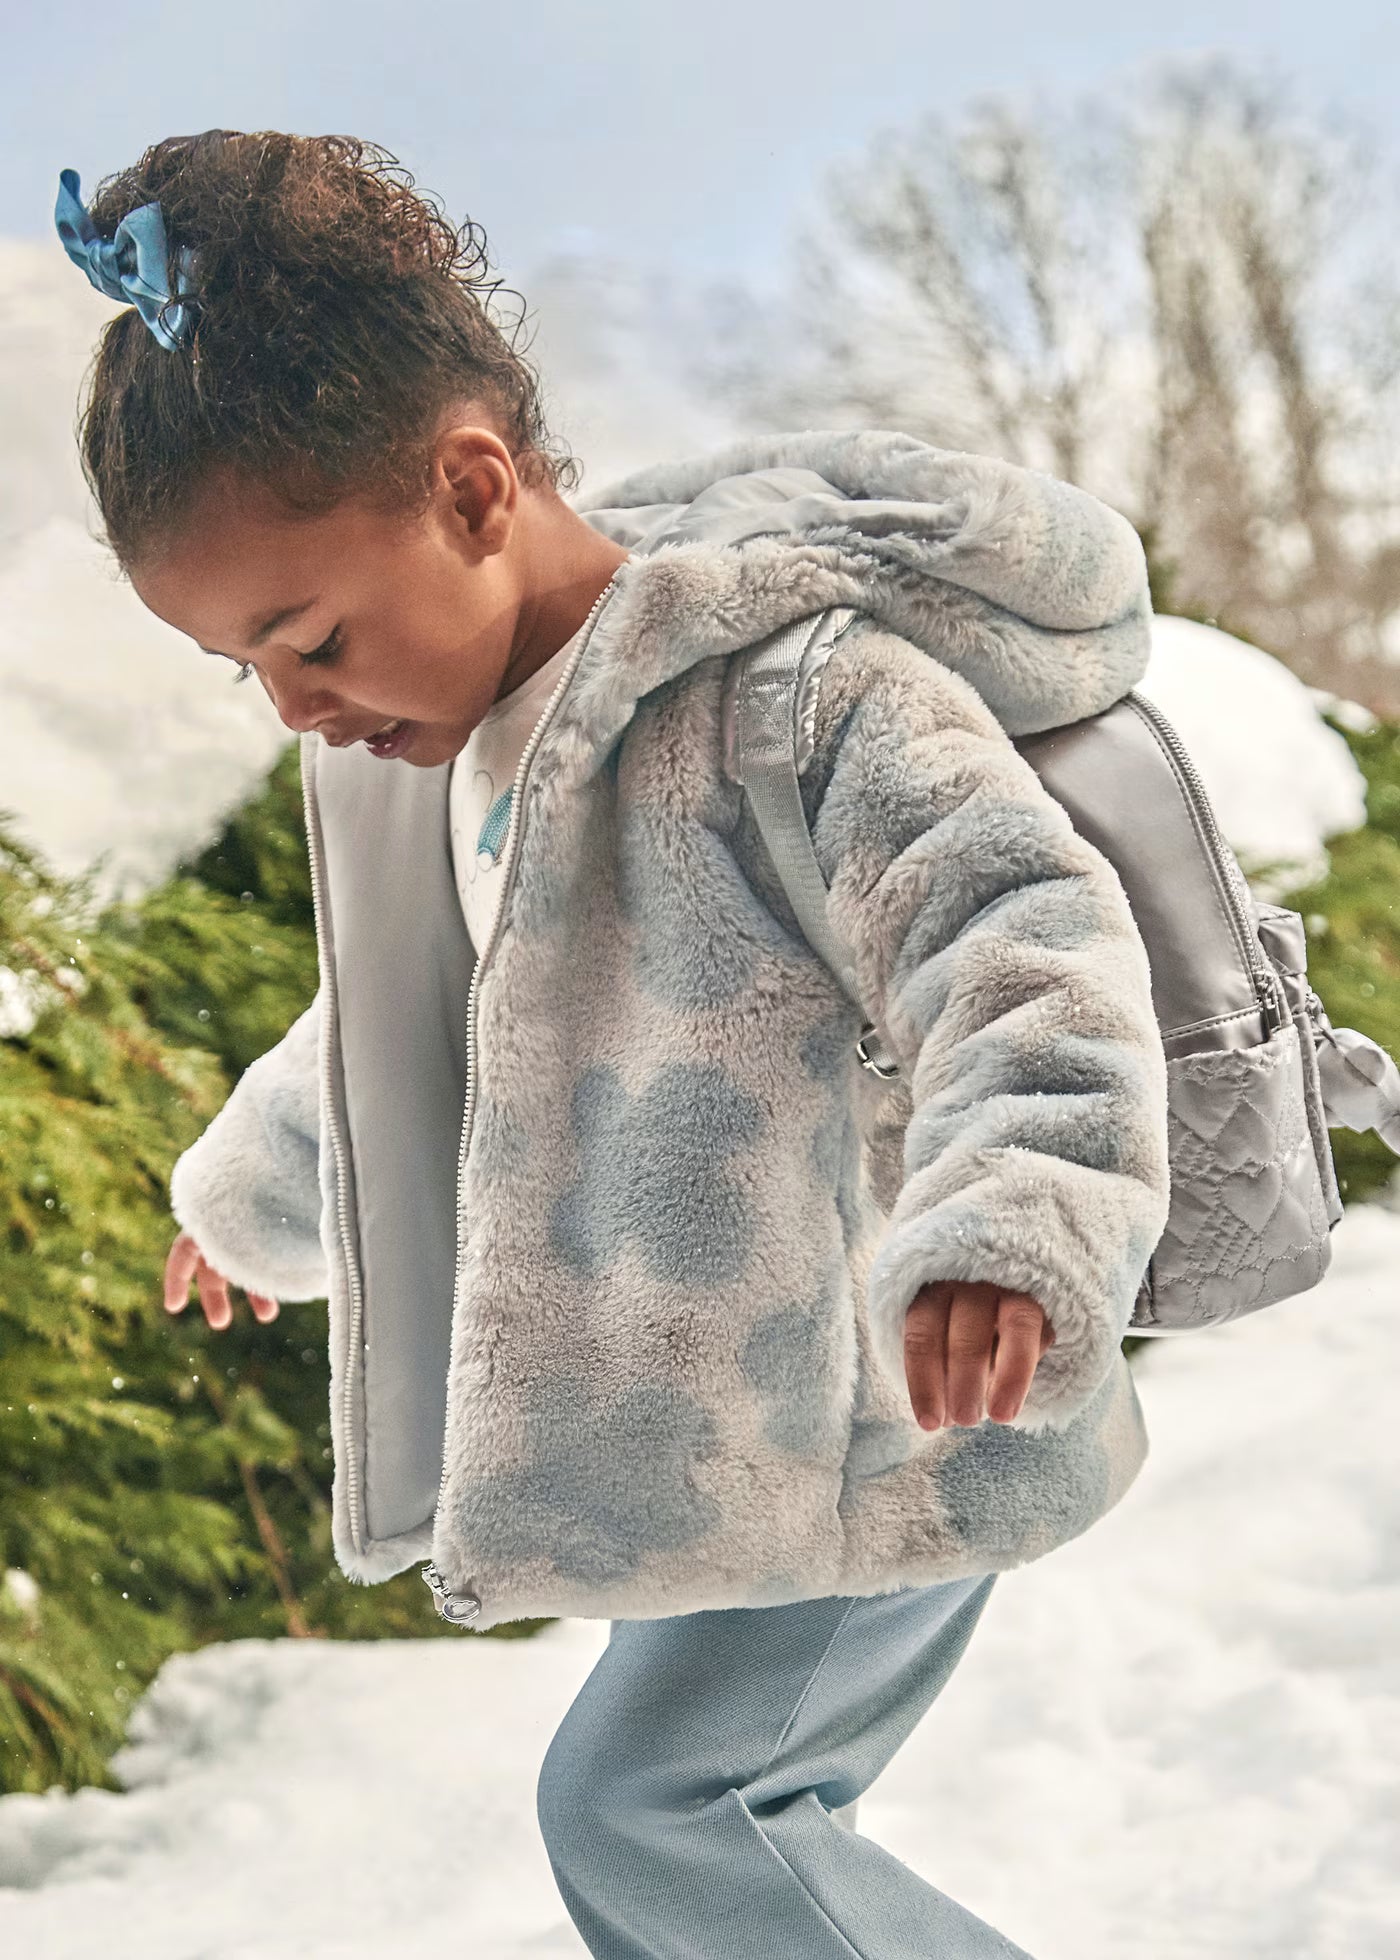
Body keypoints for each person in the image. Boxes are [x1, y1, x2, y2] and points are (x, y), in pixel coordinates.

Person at [60, 129, 1170, 1958]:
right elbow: (420, 1036)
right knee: (683, 1818)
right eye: (240, 670)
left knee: (669, 1809)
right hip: (738, 1440)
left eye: (311, 635)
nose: (295, 710)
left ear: (475, 490)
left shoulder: (797, 693)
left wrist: (1013, 1224)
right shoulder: (486, 747)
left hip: (885, 1408)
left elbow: (1020, 938)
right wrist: (256, 1197)